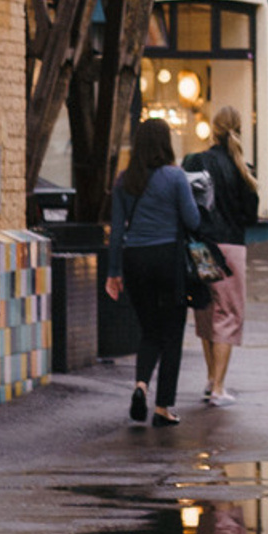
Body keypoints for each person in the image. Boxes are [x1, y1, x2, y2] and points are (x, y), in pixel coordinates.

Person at [105, 117, 212, 428]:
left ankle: (141, 385)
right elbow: (192, 221)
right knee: (172, 333)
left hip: (134, 260)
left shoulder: (125, 180)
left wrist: (113, 273)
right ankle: (163, 406)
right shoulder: (175, 177)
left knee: (150, 329)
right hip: (168, 259)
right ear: (166, 143)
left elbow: (115, 233)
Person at [185, 105, 260, 408]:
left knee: (205, 311)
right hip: (230, 247)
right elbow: (251, 216)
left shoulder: (194, 161)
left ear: (212, 128)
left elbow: (185, 202)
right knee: (228, 315)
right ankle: (218, 387)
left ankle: (210, 379)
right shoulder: (244, 168)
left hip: (202, 246)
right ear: (239, 129)